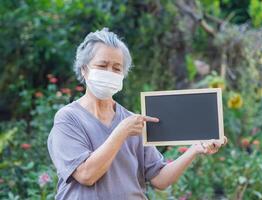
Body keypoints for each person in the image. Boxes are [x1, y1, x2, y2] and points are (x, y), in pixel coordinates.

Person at [47, 27, 227, 200]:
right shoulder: (69, 118)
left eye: (117, 68)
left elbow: (160, 179)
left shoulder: (131, 121)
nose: (110, 72)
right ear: (84, 69)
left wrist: (195, 149)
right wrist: (121, 131)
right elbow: (86, 175)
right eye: (102, 65)